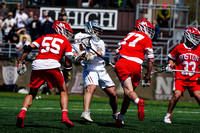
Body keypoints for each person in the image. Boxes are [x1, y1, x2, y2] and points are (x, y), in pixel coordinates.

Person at [16, 20, 74, 128]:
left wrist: (21, 61)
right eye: (66, 31)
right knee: (63, 90)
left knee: (32, 92)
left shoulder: (44, 37)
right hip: (52, 64)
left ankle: (22, 113)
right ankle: (65, 116)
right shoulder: (66, 42)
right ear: (59, 29)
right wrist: (67, 71)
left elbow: (28, 48)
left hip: (37, 63)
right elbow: (68, 61)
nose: (67, 34)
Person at [114, 18, 155, 127]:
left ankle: (138, 102)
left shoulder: (129, 34)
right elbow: (150, 60)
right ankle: (120, 118)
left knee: (128, 92)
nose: (149, 32)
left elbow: (117, 52)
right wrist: (148, 74)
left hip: (124, 62)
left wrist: (116, 62)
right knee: (129, 93)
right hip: (137, 66)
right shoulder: (146, 39)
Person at [76, 21, 118, 122]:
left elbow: (99, 52)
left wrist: (92, 55)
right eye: (96, 30)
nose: (98, 33)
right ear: (89, 29)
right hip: (90, 68)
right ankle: (86, 112)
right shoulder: (81, 37)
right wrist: (82, 55)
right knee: (91, 87)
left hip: (101, 68)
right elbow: (79, 52)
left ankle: (116, 113)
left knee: (113, 93)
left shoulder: (100, 42)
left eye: (99, 31)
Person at [164, 27, 200, 124]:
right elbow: (171, 58)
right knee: (176, 95)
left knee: (198, 96)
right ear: (188, 36)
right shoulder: (179, 47)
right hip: (180, 77)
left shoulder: (199, 49)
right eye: (194, 36)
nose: (197, 39)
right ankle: (167, 115)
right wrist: (170, 65)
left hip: (194, 78)